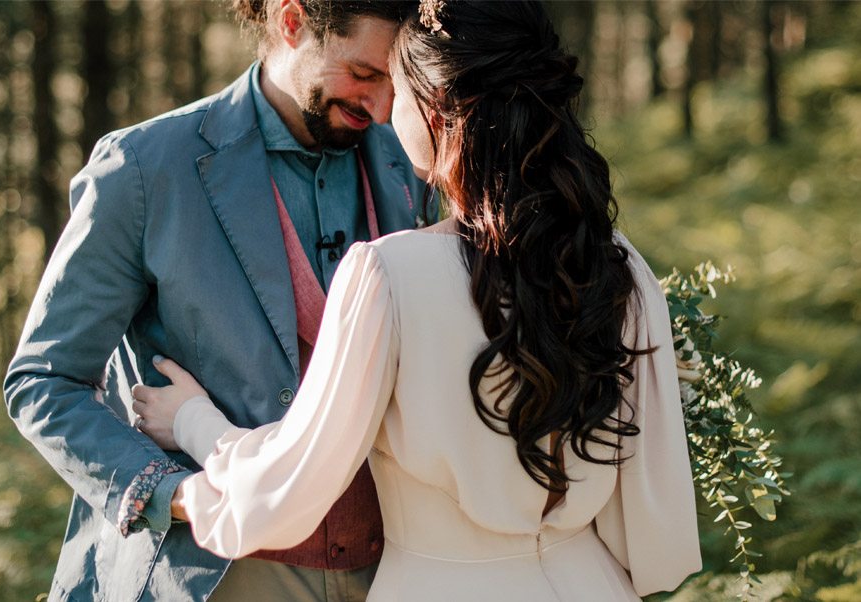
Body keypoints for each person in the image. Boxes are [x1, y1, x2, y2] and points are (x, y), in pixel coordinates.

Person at [134, 1, 703, 600]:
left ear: (437, 112)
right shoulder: (618, 265)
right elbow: (651, 508)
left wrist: (196, 425)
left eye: (397, 90)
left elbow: (290, 488)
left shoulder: (387, 275)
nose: (383, 112)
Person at [3, 1, 427, 600]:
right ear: (291, 21)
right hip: (209, 571)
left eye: (394, 79)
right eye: (362, 74)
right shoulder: (144, 167)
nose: (381, 105)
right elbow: (44, 381)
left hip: (390, 571)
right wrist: (168, 493)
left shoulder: (409, 163)